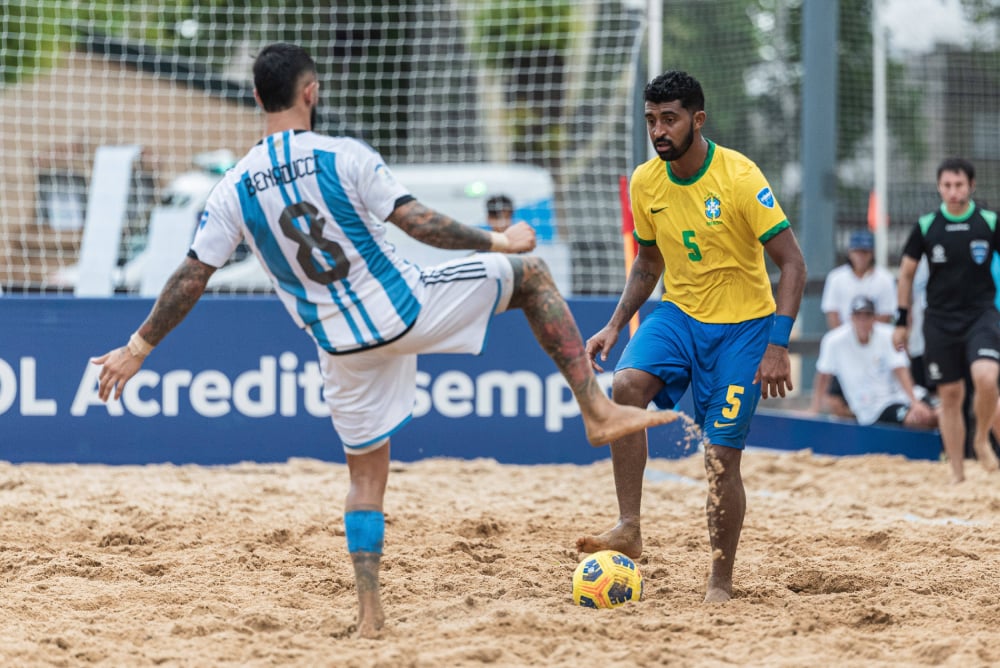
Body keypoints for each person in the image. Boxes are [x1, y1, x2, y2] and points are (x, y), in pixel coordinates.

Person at [90, 43, 676, 638]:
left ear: (256, 97)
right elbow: (420, 222)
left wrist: (137, 348)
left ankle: (370, 616)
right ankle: (596, 409)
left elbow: (192, 275)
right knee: (532, 277)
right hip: (406, 308)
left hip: (342, 348)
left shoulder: (233, 188)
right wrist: (500, 242)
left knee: (365, 479)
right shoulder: (342, 155)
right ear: (311, 92)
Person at [575, 71, 806, 603]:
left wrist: (777, 344)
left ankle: (720, 581)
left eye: (670, 118)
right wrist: (614, 323)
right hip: (679, 314)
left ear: (697, 120)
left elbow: (793, 265)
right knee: (626, 386)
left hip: (745, 328)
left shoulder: (739, 176)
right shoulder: (645, 181)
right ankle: (629, 526)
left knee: (721, 459)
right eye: (651, 118)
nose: (658, 129)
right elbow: (649, 261)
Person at [893, 157, 1000, 483]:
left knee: (986, 377)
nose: (953, 192)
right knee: (950, 396)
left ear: (971, 186)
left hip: (981, 314)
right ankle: (957, 475)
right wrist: (901, 320)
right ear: (939, 187)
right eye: (947, 185)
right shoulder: (927, 226)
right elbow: (906, 274)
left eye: (959, 185)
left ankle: (981, 438)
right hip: (939, 320)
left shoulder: (989, 222)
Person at [811, 296, 937, 429]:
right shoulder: (834, 341)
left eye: (867, 316)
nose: (863, 321)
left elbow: (901, 369)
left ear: (874, 318)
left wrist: (914, 401)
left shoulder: (889, 334)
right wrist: (814, 409)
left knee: (941, 412)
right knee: (921, 418)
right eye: (858, 316)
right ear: (851, 317)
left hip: (903, 395)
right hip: (875, 408)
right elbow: (823, 376)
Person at [814, 229, 897, 418]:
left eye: (865, 252)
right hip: (846, 348)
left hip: (874, 348)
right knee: (835, 400)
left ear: (871, 254)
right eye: (857, 251)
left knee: (878, 396)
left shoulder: (884, 279)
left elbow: (885, 316)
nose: (861, 256)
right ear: (850, 252)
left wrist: (866, 336)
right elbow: (832, 314)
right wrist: (850, 341)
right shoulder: (836, 278)